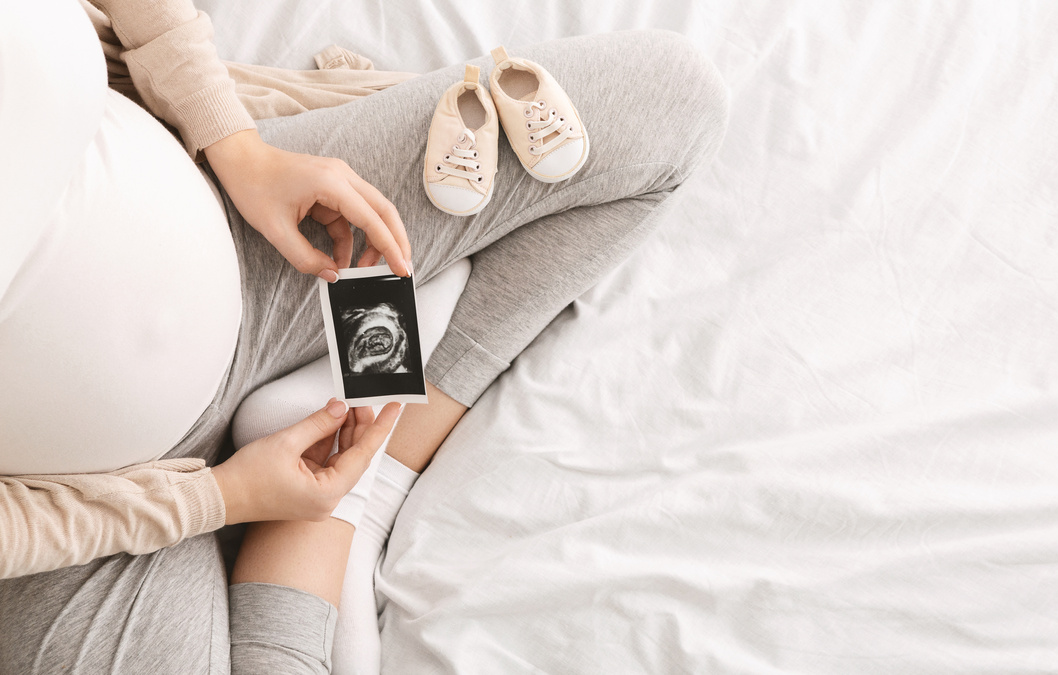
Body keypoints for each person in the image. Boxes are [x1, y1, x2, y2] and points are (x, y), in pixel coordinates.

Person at [0, 0, 728, 672]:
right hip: (82, 505)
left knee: (669, 105)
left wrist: (237, 145)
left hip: (250, 234)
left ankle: (367, 468)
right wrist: (223, 498)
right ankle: (349, 464)